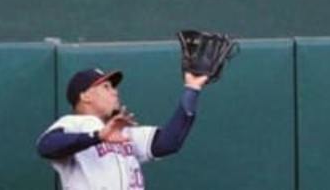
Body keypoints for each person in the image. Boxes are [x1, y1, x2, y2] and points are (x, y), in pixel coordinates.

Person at [36, 68, 208, 190]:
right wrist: (97, 136)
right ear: (85, 96)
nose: (115, 92)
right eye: (106, 87)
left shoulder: (123, 132)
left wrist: (192, 89)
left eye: (114, 87)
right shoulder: (74, 124)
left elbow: (169, 142)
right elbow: (46, 146)